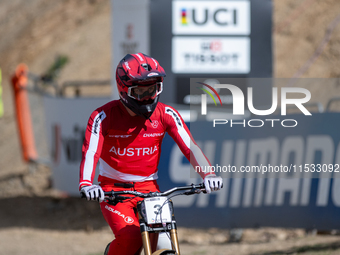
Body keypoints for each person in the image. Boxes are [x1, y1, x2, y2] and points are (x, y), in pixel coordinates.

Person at [79, 53, 223, 255]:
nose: (148, 96)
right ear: (124, 89)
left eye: (152, 89)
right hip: (114, 192)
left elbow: (190, 147)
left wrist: (208, 174)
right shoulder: (102, 117)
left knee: (164, 238)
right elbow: (91, 151)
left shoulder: (166, 114)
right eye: (140, 91)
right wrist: (86, 183)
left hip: (151, 191)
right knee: (131, 237)